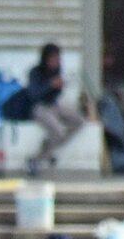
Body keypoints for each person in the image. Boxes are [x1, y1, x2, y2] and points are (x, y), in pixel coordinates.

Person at [18, 42, 79, 173]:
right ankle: (36, 159)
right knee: (58, 132)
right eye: (53, 59)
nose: (56, 62)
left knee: (78, 121)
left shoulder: (57, 70)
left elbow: (56, 95)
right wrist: (50, 85)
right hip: (39, 107)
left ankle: (49, 146)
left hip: (53, 105)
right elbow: (34, 94)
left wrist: (60, 86)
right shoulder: (35, 72)